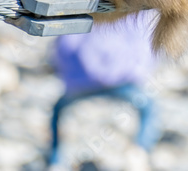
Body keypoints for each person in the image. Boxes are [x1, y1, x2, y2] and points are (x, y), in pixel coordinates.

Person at [48, 11, 160, 169]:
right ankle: (139, 150)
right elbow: (147, 50)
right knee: (148, 107)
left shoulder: (81, 9)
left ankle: (56, 159)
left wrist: (70, 74)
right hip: (123, 83)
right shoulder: (138, 11)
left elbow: (64, 46)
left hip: (81, 81)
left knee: (59, 110)